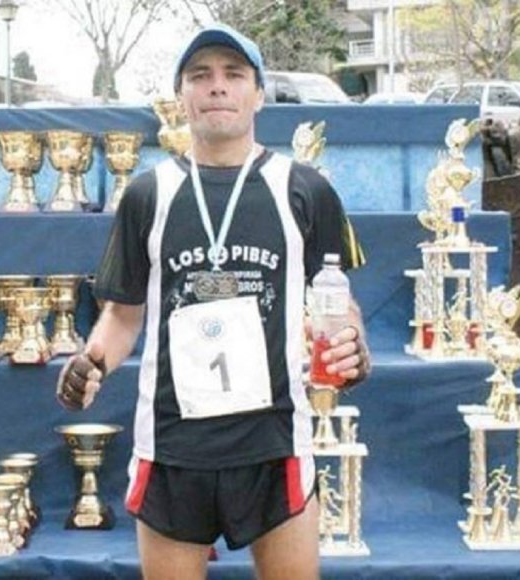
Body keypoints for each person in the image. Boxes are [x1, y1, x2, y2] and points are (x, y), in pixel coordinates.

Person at [56, 23, 371, 580]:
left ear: (259, 94)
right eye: (200, 76)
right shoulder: (148, 194)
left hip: (273, 441)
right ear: (181, 96)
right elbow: (123, 314)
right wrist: (91, 361)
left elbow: (337, 299)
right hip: (173, 445)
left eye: (234, 75)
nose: (217, 86)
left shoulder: (305, 189)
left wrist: (351, 344)